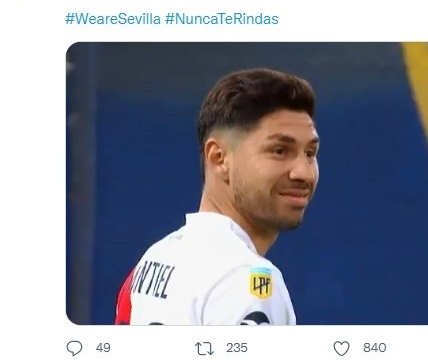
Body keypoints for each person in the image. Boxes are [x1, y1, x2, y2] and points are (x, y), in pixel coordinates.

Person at [114, 68, 320, 325]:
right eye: (279, 151)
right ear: (219, 158)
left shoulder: (154, 260)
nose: (304, 173)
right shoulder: (248, 279)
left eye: (310, 153)